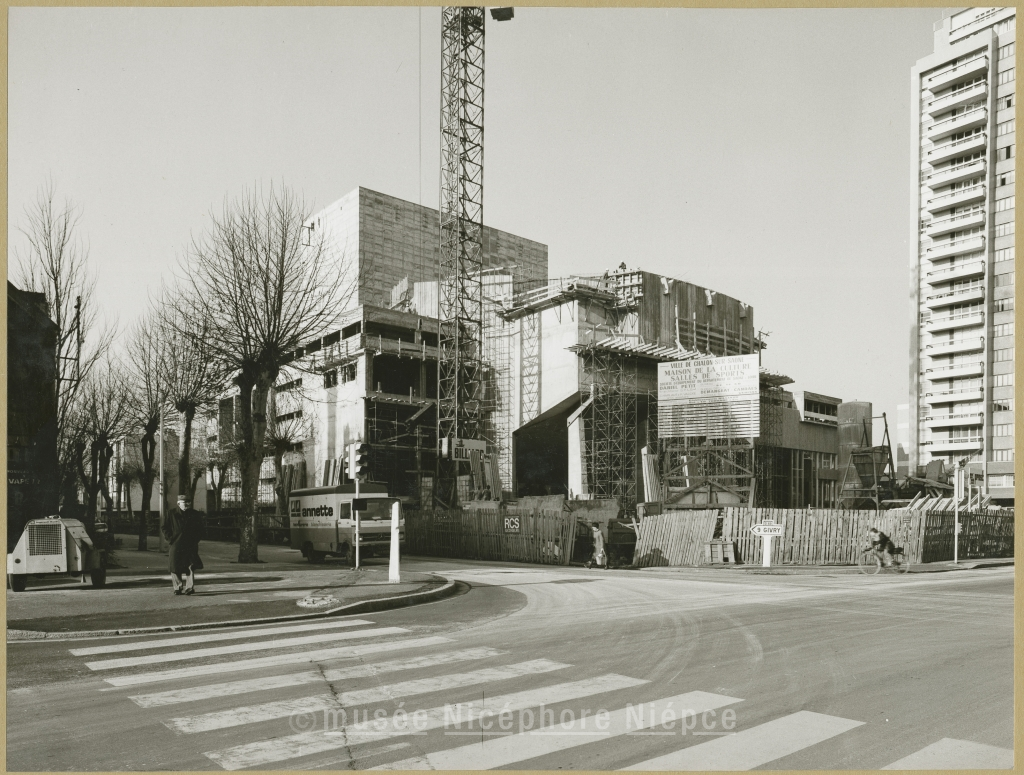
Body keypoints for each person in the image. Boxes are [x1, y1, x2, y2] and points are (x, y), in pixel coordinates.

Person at [162, 495, 205, 595]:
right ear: (178, 503)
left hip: (190, 544)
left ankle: (189, 588)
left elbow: (200, 529)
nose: (187, 504)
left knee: (190, 566)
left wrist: (195, 540)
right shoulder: (171, 513)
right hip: (176, 544)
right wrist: (170, 539)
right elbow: (164, 527)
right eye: (184, 502)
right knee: (175, 566)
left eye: (188, 502)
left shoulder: (195, 514)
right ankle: (177, 587)